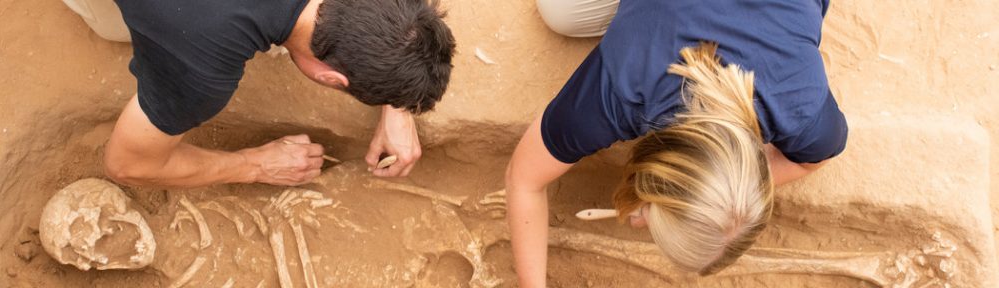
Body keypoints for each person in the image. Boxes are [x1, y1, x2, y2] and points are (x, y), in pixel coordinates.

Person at [507, 0, 848, 286]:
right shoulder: (626, 84)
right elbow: (523, 179)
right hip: (662, 27)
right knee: (561, 13)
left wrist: (668, 202)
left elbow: (812, 158)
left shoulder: (801, 106)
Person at [100, 0, 455, 188]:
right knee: (110, 26)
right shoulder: (202, 69)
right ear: (331, 79)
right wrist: (254, 165)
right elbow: (128, 164)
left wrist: (399, 98)